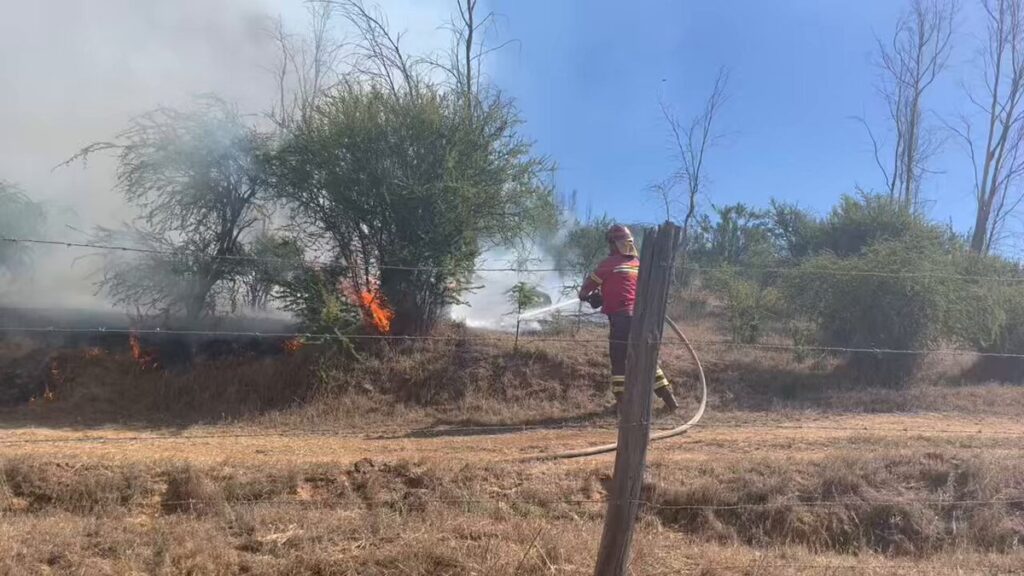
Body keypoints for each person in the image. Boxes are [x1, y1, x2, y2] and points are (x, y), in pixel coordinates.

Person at [578, 224, 679, 412]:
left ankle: (622, 403)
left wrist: (586, 296)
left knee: (619, 360)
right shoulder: (638, 264)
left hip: (621, 319)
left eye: (611, 243)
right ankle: (669, 399)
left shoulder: (609, 263)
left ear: (615, 244)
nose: (610, 247)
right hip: (642, 319)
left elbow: (586, 289)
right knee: (646, 358)